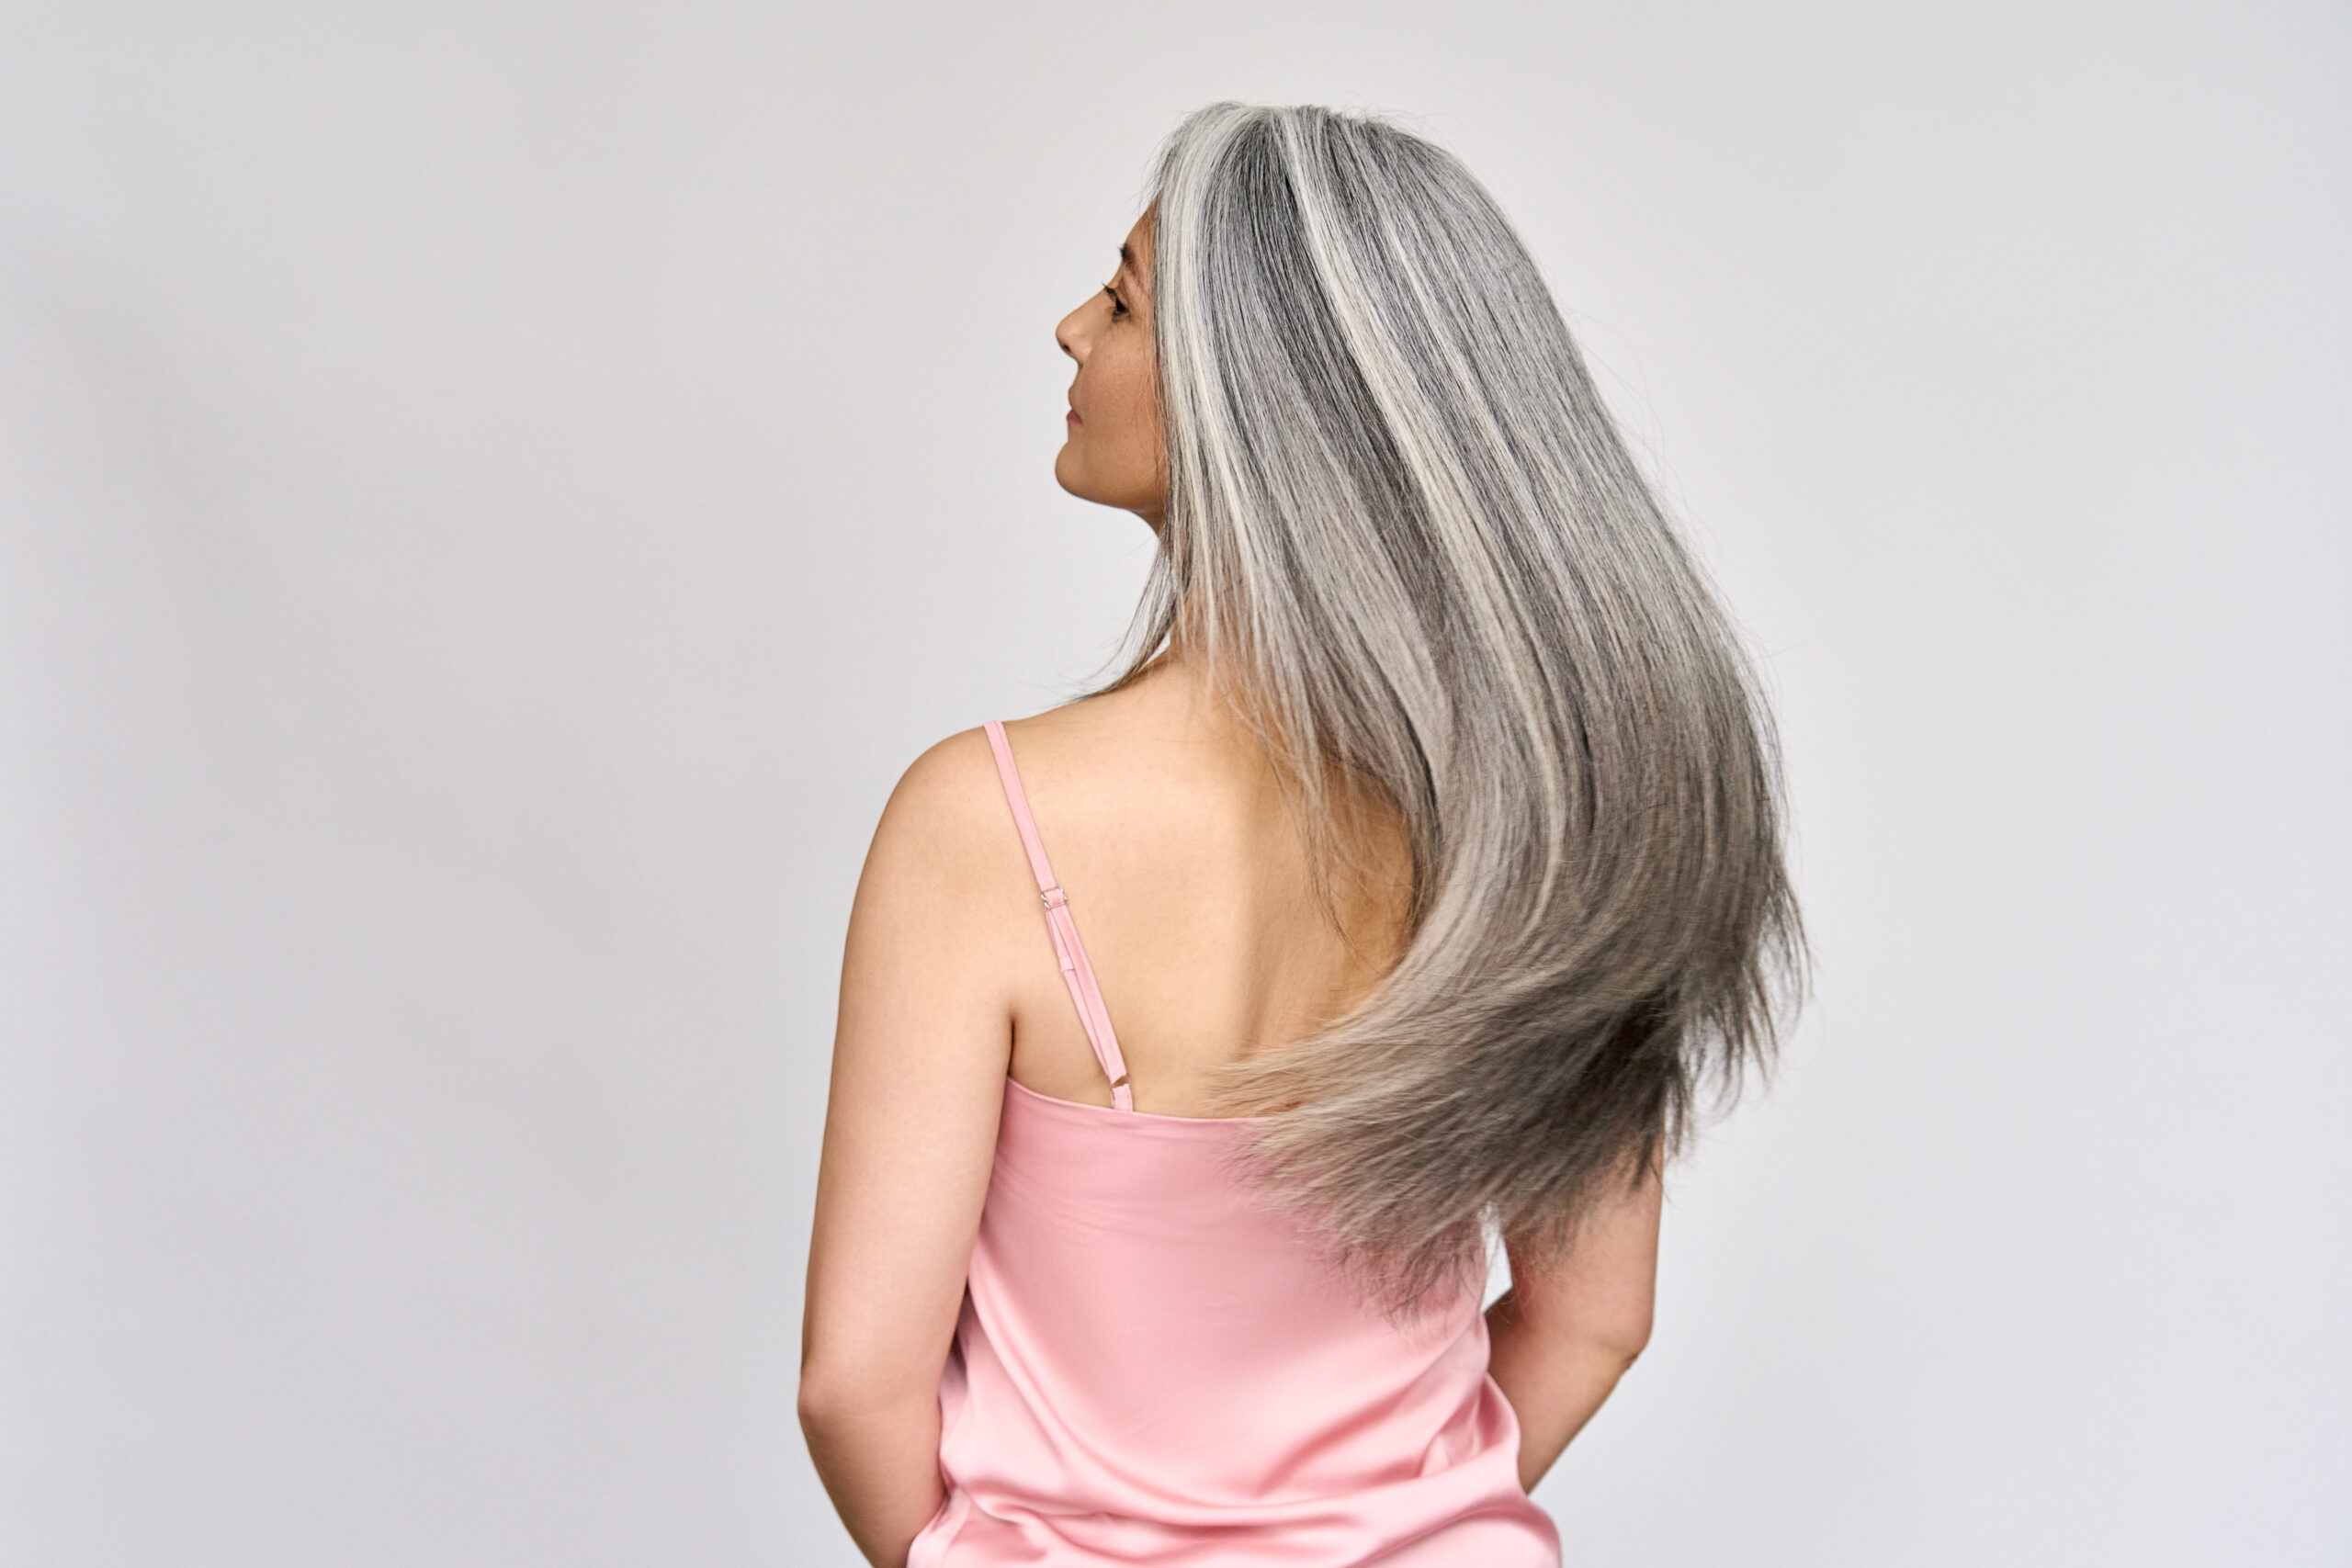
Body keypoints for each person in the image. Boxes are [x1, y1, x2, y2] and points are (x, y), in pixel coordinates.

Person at [799, 103, 1803, 1567]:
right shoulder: (1557, 819)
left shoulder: (981, 820)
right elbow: (1597, 1320)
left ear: (1253, 396)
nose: (1071, 329)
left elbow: (855, 1384)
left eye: (1128, 300)